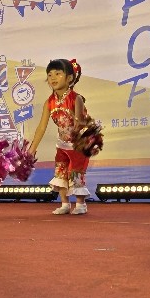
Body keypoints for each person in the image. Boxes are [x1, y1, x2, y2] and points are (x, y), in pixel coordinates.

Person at [28, 58, 90, 215]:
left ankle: (81, 204)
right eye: (50, 75)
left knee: (76, 172)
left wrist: (77, 123)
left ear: (69, 78)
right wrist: (32, 149)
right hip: (62, 144)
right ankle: (65, 203)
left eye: (58, 74)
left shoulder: (76, 98)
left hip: (78, 144)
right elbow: (42, 127)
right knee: (60, 172)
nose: (53, 78)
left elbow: (80, 121)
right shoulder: (49, 102)